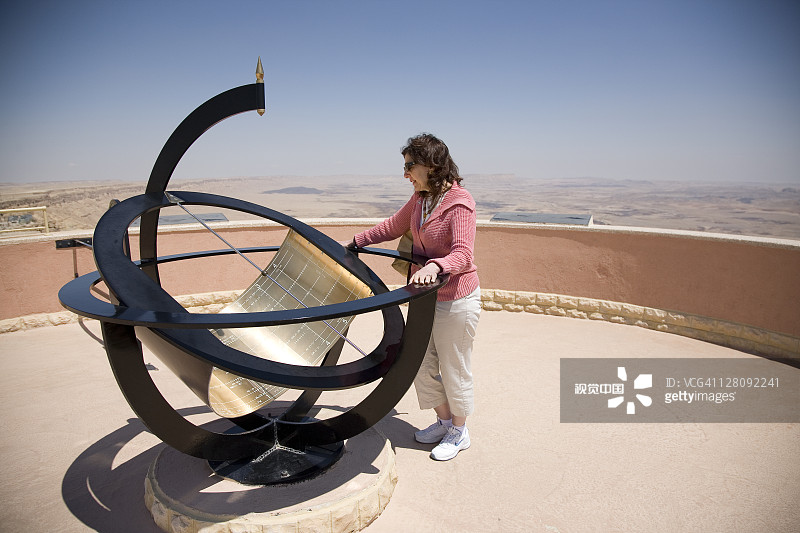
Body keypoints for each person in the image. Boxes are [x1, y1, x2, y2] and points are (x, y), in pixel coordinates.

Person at [342, 133, 480, 461]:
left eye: (409, 165)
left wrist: (435, 265)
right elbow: (392, 226)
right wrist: (355, 242)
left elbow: (462, 254)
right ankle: (443, 421)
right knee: (421, 362)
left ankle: (460, 432)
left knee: (453, 366)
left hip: (455, 300)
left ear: (431, 165)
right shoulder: (420, 198)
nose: (405, 173)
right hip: (424, 300)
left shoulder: (460, 202)